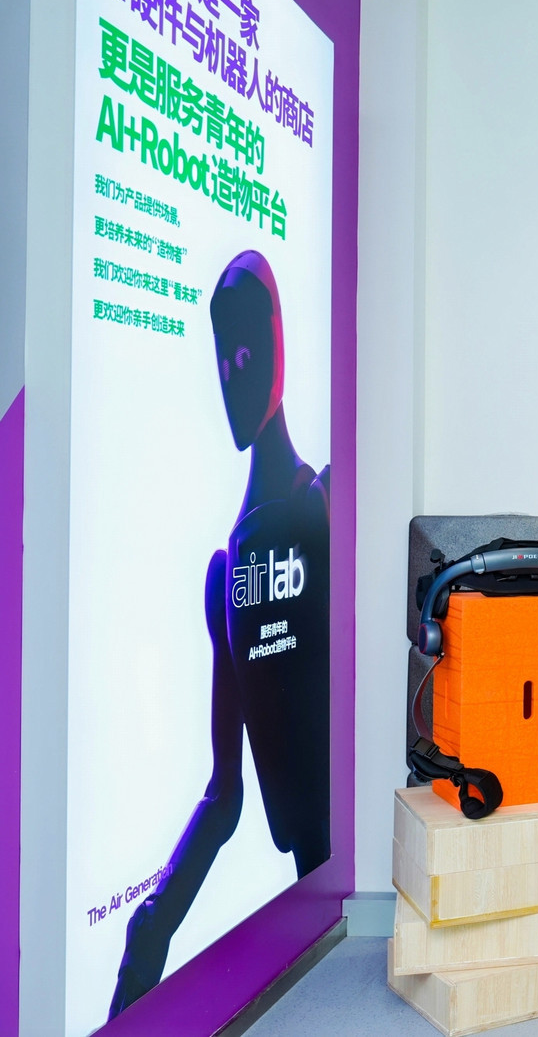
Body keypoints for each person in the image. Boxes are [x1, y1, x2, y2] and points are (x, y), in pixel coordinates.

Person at [109, 252, 331, 1018]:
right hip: (309, 876)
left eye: (248, 348)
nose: (235, 372)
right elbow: (225, 792)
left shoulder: (324, 503)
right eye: (223, 356)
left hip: (343, 861)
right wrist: (156, 920)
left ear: (278, 340)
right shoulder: (224, 573)